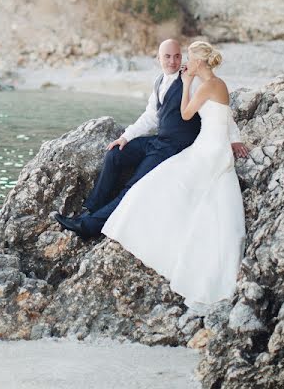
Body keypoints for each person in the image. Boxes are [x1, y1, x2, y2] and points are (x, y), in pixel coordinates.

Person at [53, 39, 246, 239]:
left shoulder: (194, 80)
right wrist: (125, 137)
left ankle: (89, 226)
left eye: (177, 56)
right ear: (158, 59)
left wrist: (234, 138)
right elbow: (150, 116)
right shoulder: (158, 82)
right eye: (167, 56)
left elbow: (220, 110)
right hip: (157, 140)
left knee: (134, 184)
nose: (173, 61)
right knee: (115, 154)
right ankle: (92, 208)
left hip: (175, 147)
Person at [102, 41, 246, 306]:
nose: (184, 64)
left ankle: (153, 234)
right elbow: (223, 116)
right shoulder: (219, 84)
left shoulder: (205, 86)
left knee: (162, 185)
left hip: (209, 149)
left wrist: (188, 83)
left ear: (199, 63)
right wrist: (233, 139)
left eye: (188, 59)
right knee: (157, 178)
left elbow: (185, 112)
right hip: (211, 145)